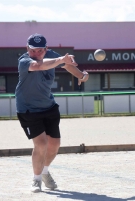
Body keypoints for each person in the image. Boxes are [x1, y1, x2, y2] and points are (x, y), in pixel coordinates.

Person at [15, 33, 89, 192]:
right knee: (41, 144)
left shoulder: (52, 56)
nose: (36, 54)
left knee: (54, 145)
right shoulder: (24, 61)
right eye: (32, 50)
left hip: (49, 106)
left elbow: (67, 65)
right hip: (28, 109)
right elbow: (39, 66)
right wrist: (62, 59)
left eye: (40, 51)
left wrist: (81, 76)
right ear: (27, 48)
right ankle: (36, 180)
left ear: (46, 49)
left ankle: (45, 172)